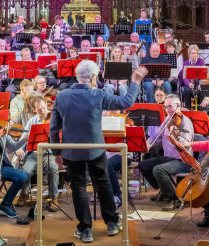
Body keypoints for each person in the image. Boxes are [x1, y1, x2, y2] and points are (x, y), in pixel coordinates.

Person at [50, 60, 144, 242]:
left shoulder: (61, 96)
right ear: (93, 77)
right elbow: (126, 101)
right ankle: (111, 223)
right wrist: (136, 81)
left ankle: (85, 229)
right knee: (103, 183)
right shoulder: (98, 95)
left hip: (71, 151)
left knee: (78, 187)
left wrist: (57, 152)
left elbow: (54, 128)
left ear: (77, 76)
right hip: (95, 150)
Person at [139, 94, 194, 211]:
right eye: (165, 107)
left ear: (178, 105)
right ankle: (164, 190)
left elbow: (186, 144)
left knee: (158, 170)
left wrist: (176, 135)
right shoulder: (167, 120)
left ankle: (175, 197)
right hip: (168, 158)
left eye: (170, 106)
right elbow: (155, 137)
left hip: (183, 160)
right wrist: (148, 143)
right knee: (143, 165)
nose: (168, 109)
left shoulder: (185, 122)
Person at [11, 96, 60, 209]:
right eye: (39, 110)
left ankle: (54, 198)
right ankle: (24, 194)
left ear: (47, 106)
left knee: (53, 168)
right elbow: (23, 139)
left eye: (44, 108)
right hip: (34, 154)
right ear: (34, 110)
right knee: (25, 171)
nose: (43, 111)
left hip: (50, 153)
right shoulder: (32, 121)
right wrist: (19, 148)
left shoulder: (54, 119)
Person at [177, 45, 207, 109]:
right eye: (192, 53)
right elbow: (184, 76)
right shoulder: (186, 63)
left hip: (198, 82)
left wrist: (201, 84)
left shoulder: (201, 61)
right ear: (189, 54)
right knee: (187, 90)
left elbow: (203, 74)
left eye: (195, 53)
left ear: (197, 54)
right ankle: (188, 109)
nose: (193, 55)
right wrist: (189, 83)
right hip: (189, 82)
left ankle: (201, 109)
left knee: (201, 90)